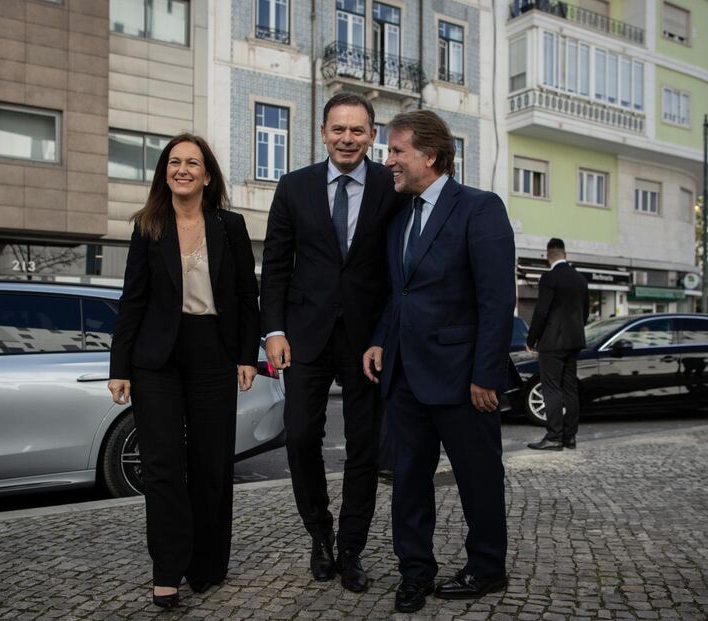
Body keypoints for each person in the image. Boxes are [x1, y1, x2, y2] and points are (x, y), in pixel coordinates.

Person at [362, 110, 516, 613]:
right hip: (404, 375)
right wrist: (381, 338)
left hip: (462, 378)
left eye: (396, 150)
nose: (388, 161)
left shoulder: (479, 208)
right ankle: (414, 572)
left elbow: (497, 300)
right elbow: (400, 291)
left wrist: (485, 375)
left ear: (429, 155)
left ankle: (488, 567)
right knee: (407, 479)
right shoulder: (400, 215)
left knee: (478, 478)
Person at [107, 133, 260, 609]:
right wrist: (120, 366)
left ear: (207, 174)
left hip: (213, 354)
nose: (183, 169)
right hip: (157, 361)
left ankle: (208, 563)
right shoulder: (148, 225)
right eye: (175, 162)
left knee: (212, 464)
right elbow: (132, 300)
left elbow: (244, 297)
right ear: (165, 172)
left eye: (193, 162)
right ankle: (167, 569)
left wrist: (246, 355)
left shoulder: (230, 226)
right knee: (163, 466)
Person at [259, 92, 404, 592]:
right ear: (323, 133)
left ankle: (351, 548)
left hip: (367, 341)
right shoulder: (293, 186)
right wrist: (273, 331)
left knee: (365, 448)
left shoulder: (392, 185)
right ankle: (318, 535)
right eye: (338, 129)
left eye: (358, 130)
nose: (347, 138)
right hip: (304, 336)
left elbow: (400, 267)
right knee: (300, 437)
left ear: (372, 135)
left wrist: (387, 334)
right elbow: (276, 264)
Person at [525, 238, 589, 451]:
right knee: (570, 389)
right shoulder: (580, 279)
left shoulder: (549, 277)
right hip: (574, 341)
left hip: (552, 342)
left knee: (551, 388)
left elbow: (542, 311)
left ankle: (554, 437)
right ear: (565, 254)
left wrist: (531, 339)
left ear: (547, 256)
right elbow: (585, 312)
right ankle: (570, 438)